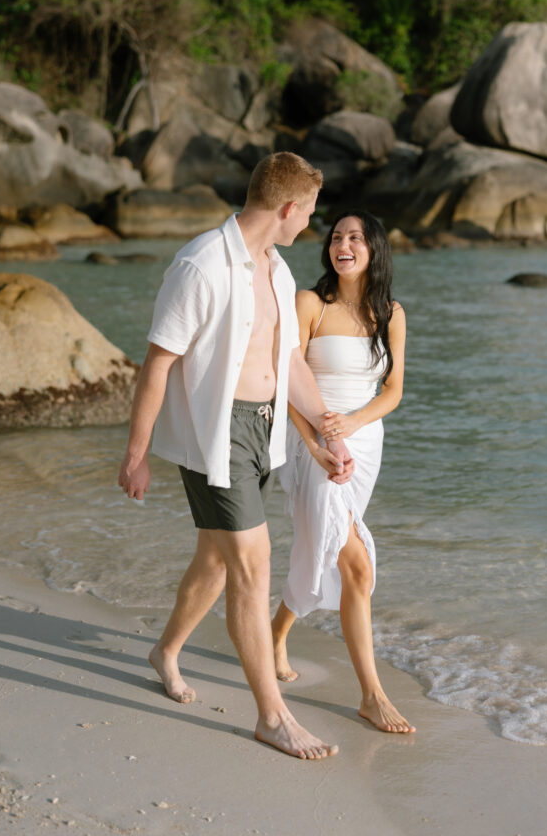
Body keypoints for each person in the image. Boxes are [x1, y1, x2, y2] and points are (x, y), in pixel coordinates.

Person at [118, 152, 354, 761]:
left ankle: (165, 651)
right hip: (212, 433)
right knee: (252, 563)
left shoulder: (276, 271)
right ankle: (273, 715)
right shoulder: (201, 264)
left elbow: (290, 364)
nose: (310, 227)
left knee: (217, 561)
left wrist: (328, 433)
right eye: (308, 214)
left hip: (265, 432)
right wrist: (137, 453)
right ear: (286, 208)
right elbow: (159, 362)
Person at [271, 211, 415, 734]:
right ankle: (371, 695)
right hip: (312, 444)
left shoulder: (391, 314)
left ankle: (273, 635)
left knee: (321, 549)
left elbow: (393, 392)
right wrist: (315, 445)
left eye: (355, 237)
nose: (342, 245)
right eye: (335, 237)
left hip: (365, 445)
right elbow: (284, 380)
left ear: (374, 249)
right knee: (356, 565)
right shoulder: (310, 303)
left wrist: (352, 423)